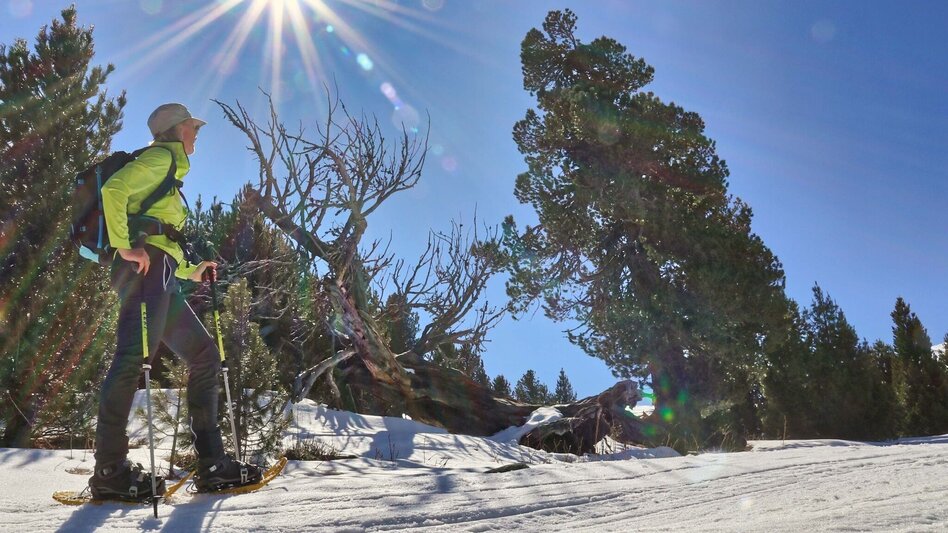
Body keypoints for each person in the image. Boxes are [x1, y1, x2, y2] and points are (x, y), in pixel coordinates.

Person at [88, 103, 263, 500]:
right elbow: (113, 191)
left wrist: (191, 271)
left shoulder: (169, 172)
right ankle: (109, 469)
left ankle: (213, 464)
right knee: (132, 358)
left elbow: (159, 233)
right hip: (145, 272)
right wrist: (125, 249)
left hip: (162, 274)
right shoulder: (159, 158)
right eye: (192, 125)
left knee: (203, 356)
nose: (197, 131)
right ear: (175, 130)